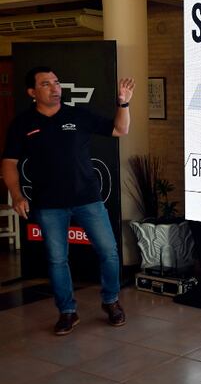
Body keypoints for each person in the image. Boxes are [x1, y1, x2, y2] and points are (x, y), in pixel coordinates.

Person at [1, 67, 135, 335]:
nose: (55, 87)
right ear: (32, 92)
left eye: (57, 82)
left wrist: (124, 103)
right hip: (48, 204)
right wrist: (16, 195)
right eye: (46, 84)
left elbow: (120, 129)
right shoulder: (23, 124)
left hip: (88, 199)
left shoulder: (77, 114)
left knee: (109, 253)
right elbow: (9, 163)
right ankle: (67, 312)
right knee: (57, 260)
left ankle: (111, 301)